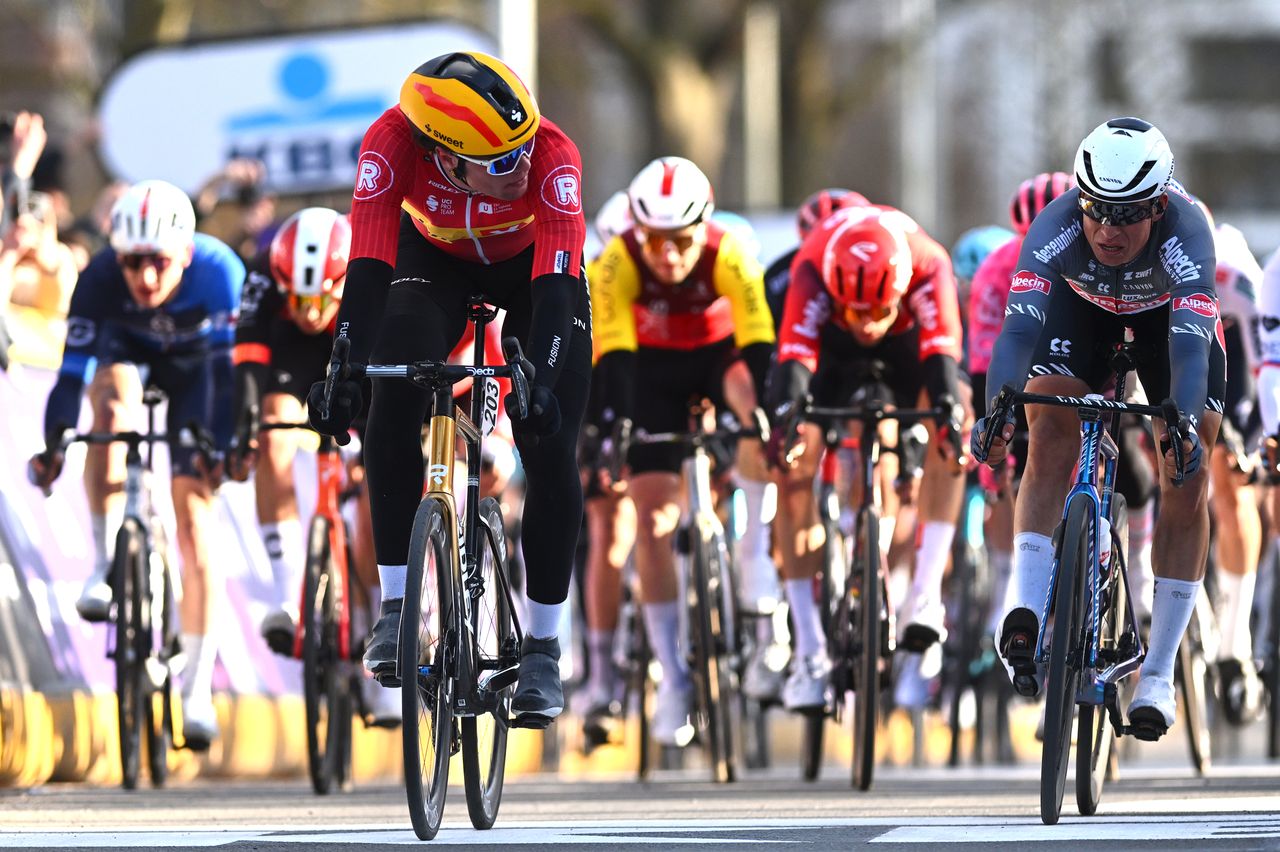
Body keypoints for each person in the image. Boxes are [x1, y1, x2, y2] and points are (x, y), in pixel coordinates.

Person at [306, 51, 592, 728]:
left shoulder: (551, 157)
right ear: (446, 156)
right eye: (498, 162)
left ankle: (545, 649)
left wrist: (540, 382)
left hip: (531, 277)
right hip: (431, 260)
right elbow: (369, 271)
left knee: (548, 442)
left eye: (522, 150)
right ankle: (399, 607)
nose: (520, 168)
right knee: (391, 387)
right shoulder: (391, 144)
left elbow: (555, 289)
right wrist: (342, 374)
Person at [972, 117, 1223, 741]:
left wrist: (1184, 422)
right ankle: (1025, 605)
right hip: (1079, 313)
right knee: (1048, 426)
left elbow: (1192, 355)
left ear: (1159, 206)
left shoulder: (1189, 235)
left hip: (1167, 330)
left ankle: (1159, 673)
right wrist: (995, 409)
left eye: (1128, 214)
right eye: (1096, 211)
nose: (1108, 229)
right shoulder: (1055, 227)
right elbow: (1018, 333)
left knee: (1185, 475)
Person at [28, 179, 245, 749]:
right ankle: (105, 562)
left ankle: (195, 691)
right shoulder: (98, 279)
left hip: (199, 371)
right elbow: (70, 376)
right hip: (129, 359)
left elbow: (228, 380)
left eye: (158, 264)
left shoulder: (219, 272)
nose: (145, 279)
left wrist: (216, 446)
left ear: (186, 255)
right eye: (132, 264)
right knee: (109, 404)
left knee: (195, 521)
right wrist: (54, 444)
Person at [588, 155, 776, 743]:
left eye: (682, 241)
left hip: (718, 358)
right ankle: (672, 677)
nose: (668, 256)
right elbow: (614, 356)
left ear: (706, 227)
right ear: (636, 232)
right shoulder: (617, 261)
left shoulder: (731, 253)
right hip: (649, 371)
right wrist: (616, 426)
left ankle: (756, 565)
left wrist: (767, 420)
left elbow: (758, 345)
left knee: (754, 401)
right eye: (656, 242)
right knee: (651, 519)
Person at [766, 203, 970, 712]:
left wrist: (944, 418)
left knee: (953, 419)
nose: (867, 324)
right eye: (857, 311)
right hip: (829, 353)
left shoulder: (928, 261)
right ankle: (809, 651)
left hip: (910, 349)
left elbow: (943, 356)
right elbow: (794, 358)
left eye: (878, 310)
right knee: (792, 464)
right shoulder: (812, 266)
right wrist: (789, 422)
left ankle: (923, 595)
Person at [227, 207, 402, 728]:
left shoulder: (375, 276)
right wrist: (246, 427)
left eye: (317, 298)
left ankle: (381, 633)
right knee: (272, 429)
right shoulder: (263, 274)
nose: (307, 309)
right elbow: (249, 366)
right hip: (295, 360)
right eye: (296, 298)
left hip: (356, 348)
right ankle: (287, 593)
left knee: (375, 512)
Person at [1191, 197, 1266, 726]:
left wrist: (1252, 439)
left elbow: (1265, 368)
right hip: (1173, 347)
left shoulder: (1234, 274)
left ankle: (1235, 641)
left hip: (1235, 354)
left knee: (1228, 469)